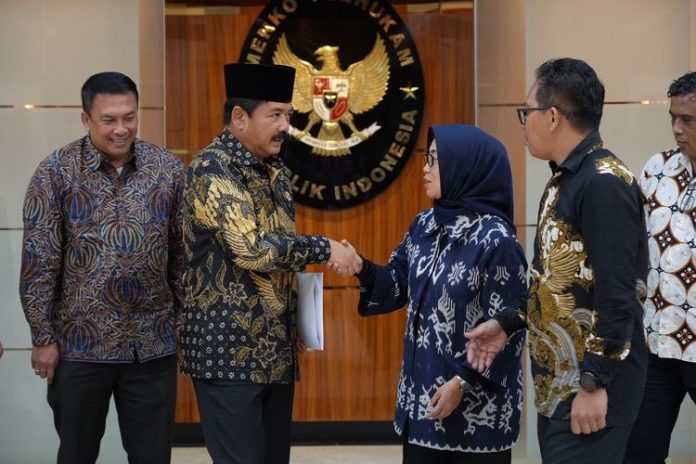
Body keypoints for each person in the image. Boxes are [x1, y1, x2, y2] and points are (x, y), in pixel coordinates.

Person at [465, 58, 649, 463]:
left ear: (551, 117)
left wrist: (594, 381)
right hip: (561, 387)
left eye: (525, 112)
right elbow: (553, 284)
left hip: (591, 390)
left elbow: (619, 293)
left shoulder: (603, 182)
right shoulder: (567, 177)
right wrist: (507, 323)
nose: (523, 123)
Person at [178, 62, 361, 464]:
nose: (285, 127)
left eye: (289, 116)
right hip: (227, 352)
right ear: (239, 117)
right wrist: (325, 247)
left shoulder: (274, 169)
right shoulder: (213, 169)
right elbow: (253, 249)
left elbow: (278, 257)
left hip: (273, 350)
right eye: (275, 115)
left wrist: (291, 319)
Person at [19, 72, 185, 463]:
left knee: (153, 456)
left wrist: (182, 325)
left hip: (152, 347)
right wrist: (43, 338)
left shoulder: (168, 170)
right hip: (78, 347)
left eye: (129, 117)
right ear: (86, 119)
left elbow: (183, 257)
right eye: (109, 119)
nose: (121, 128)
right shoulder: (55, 172)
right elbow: (39, 263)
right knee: (77, 454)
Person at [338, 125, 528, 463]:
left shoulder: (496, 240)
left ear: (464, 167)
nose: (425, 169)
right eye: (427, 159)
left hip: (475, 418)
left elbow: (510, 330)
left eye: (435, 161)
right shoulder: (424, 225)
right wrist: (360, 267)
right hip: (422, 405)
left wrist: (462, 383)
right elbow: (396, 284)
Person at [624, 71, 696, 463]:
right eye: (673, 117)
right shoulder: (657, 168)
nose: (677, 129)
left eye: (687, 119)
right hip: (658, 341)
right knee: (638, 452)